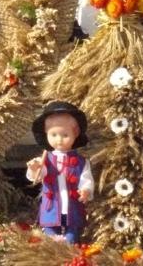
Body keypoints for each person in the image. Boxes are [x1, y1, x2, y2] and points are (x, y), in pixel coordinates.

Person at [26, 101, 93, 243]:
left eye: (65, 135)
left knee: (71, 237)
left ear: (75, 133)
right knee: (50, 236)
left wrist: (86, 190)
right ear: (46, 133)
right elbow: (38, 175)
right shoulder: (45, 159)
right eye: (54, 134)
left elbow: (86, 179)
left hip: (72, 207)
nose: (59, 140)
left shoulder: (81, 162)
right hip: (51, 207)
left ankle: (69, 247)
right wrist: (34, 169)